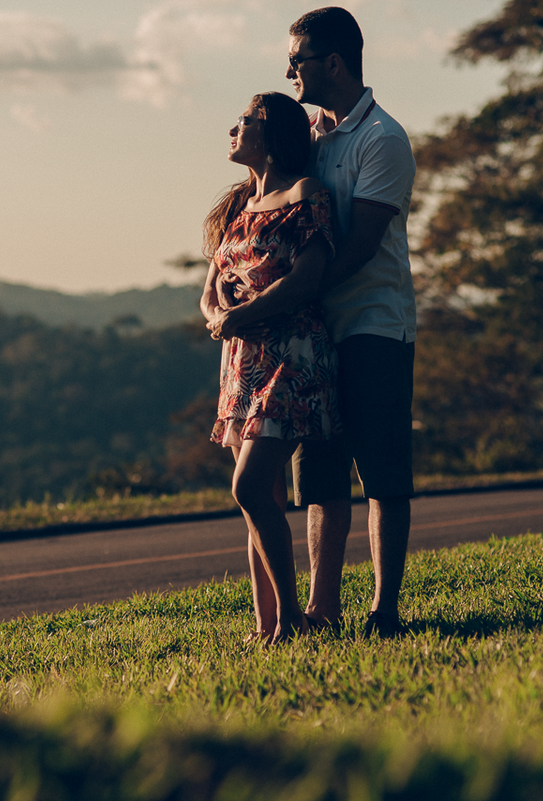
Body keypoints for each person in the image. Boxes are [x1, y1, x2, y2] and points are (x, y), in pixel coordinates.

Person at [285, 7, 417, 637]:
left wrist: (289, 296)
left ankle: (384, 609)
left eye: (298, 60)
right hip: (318, 331)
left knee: (382, 473)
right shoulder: (311, 137)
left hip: (373, 322)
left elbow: (362, 245)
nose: (289, 70)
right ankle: (321, 608)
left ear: (332, 63)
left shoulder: (383, 138)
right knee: (321, 472)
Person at [200, 91, 339, 645]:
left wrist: (247, 314)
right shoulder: (237, 209)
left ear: (271, 132)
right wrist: (220, 321)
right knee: (262, 503)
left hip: (291, 357)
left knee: (250, 487)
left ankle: (291, 620)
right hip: (241, 364)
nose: (233, 129)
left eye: (244, 121)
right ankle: (266, 626)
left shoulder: (306, 195)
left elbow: (309, 277)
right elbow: (210, 292)